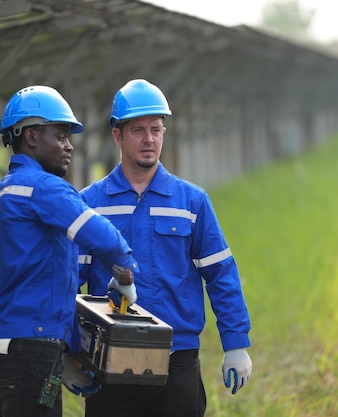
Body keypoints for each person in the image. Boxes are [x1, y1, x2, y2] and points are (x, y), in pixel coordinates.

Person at [78, 79, 252, 417]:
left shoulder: (191, 201)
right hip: (110, 364)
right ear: (117, 135)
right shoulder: (90, 204)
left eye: (156, 129)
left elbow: (220, 274)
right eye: (138, 130)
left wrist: (236, 344)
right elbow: (70, 282)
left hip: (178, 361)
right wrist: (71, 348)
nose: (149, 140)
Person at [0, 85, 138, 417]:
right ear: (32, 137)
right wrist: (125, 276)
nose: (69, 146)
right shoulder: (45, 189)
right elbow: (105, 239)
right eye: (61, 136)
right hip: (29, 358)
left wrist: (61, 351)